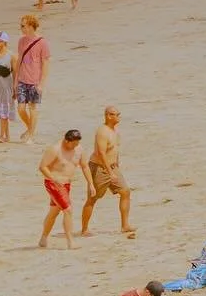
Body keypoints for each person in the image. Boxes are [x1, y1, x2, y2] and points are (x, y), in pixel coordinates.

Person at [82, 106, 134, 237]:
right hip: (99, 168)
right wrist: (109, 173)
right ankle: (84, 229)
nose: (118, 117)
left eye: (119, 114)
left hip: (113, 167)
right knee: (93, 198)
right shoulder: (102, 132)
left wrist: (116, 165)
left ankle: (125, 225)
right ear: (108, 116)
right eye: (116, 114)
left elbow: (114, 149)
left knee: (125, 191)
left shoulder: (115, 131)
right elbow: (101, 153)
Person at [38, 128, 91, 249]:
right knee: (68, 210)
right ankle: (70, 242)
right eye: (74, 144)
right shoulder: (55, 149)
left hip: (66, 184)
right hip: (54, 183)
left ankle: (43, 238)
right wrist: (53, 178)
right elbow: (42, 167)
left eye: (77, 143)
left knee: (54, 211)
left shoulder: (79, 149)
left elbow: (85, 166)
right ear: (67, 141)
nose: (76, 146)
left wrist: (91, 184)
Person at [13, 13, 49, 139]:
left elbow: (45, 64)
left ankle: (31, 135)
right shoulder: (21, 41)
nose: (21, 28)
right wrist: (15, 80)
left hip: (34, 81)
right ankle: (30, 128)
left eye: (23, 26)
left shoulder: (42, 42)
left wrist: (41, 84)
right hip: (22, 80)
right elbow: (19, 60)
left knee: (32, 108)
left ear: (30, 26)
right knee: (21, 108)